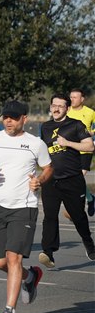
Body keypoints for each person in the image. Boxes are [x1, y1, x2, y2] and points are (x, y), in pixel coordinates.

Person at [0, 100, 53, 313]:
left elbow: (48, 168)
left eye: (14, 118)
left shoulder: (36, 144)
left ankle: (10, 312)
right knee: (0, 262)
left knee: (13, 259)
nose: (8, 121)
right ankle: (30, 277)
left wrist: (40, 180)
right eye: (5, 117)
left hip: (24, 207)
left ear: (24, 119)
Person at [39, 93, 95, 268]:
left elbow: (90, 146)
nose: (56, 109)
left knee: (78, 216)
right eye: (53, 105)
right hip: (51, 180)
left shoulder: (76, 125)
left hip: (72, 180)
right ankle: (48, 252)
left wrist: (69, 143)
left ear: (67, 108)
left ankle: (88, 243)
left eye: (60, 106)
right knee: (49, 217)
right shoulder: (45, 127)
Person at [67, 88, 95, 216]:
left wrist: (92, 133)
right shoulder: (67, 111)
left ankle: (77, 205)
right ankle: (90, 199)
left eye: (75, 97)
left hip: (85, 150)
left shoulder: (90, 112)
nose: (72, 99)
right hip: (70, 150)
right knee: (75, 179)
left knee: (78, 177)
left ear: (82, 99)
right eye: (71, 97)